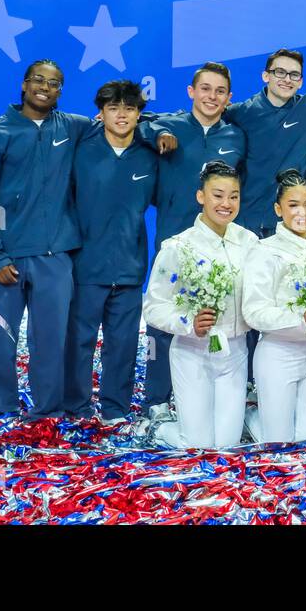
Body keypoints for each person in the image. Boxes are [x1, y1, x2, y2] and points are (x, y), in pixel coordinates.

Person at [0, 60, 94, 419]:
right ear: (24, 85)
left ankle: (47, 413)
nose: (45, 87)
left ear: (60, 91)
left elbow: (118, 121)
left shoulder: (73, 128)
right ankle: (0, 411)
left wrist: (158, 128)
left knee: (51, 342)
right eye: (38, 80)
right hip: (6, 257)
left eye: (54, 83)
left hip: (55, 258)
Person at [134, 62, 247, 420]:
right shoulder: (168, 126)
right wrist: (155, 135)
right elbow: (139, 124)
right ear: (191, 91)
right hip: (173, 238)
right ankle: (157, 399)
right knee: (165, 316)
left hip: (217, 244)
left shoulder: (235, 137)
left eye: (219, 91)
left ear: (229, 98)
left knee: (214, 316)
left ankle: (212, 394)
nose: (211, 97)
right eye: (205, 89)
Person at [142, 160, 257, 448]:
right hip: (192, 353)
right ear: (200, 197)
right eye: (217, 195)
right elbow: (154, 306)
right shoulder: (179, 247)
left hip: (235, 353)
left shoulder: (250, 242)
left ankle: (239, 417)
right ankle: (154, 428)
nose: (226, 204)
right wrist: (187, 323)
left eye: (233, 197)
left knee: (227, 445)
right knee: (197, 444)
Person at [64, 80, 158, 425]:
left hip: (131, 269)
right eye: (114, 108)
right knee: (79, 343)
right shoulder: (81, 147)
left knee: (122, 347)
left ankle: (115, 410)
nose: (122, 115)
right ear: (100, 112)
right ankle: (77, 408)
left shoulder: (149, 154)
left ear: (139, 114)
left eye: (130, 109)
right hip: (85, 267)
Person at [242, 169, 306, 443]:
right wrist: (298, 319)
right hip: (278, 355)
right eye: (293, 205)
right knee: (279, 446)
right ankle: (253, 420)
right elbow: (253, 311)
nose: (302, 213)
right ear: (278, 208)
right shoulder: (264, 250)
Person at [215, 49, 306, 239]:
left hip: (293, 224)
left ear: (301, 81)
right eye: (280, 72)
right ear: (265, 76)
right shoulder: (243, 112)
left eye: (294, 75)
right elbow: (199, 117)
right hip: (249, 222)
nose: (287, 79)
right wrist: (160, 130)